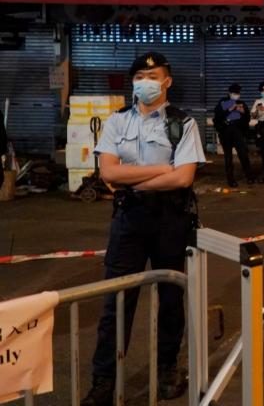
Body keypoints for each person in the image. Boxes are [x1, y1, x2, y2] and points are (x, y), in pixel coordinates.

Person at [81, 52, 205, 406]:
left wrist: (135, 181)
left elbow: (184, 178)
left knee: (170, 298)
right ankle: (103, 380)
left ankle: (167, 369)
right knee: (116, 300)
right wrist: (162, 171)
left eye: (152, 74)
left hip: (171, 220)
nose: (144, 81)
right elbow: (108, 173)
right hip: (129, 220)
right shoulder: (118, 122)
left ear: (167, 80)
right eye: (138, 75)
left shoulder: (183, 123)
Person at [213, 83, 254, 187]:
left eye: (238, 93)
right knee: (228, 156)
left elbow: (247, 118)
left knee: (243, 154)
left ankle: (249, 176)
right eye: (235, 93)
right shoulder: (223, 102)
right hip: (226, 131)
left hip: (237, 131)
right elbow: (217, 115)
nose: (237, 95)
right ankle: (230, 179)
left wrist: (243, 112)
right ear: (230, 93)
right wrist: (229, 109)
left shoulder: (241, 103)